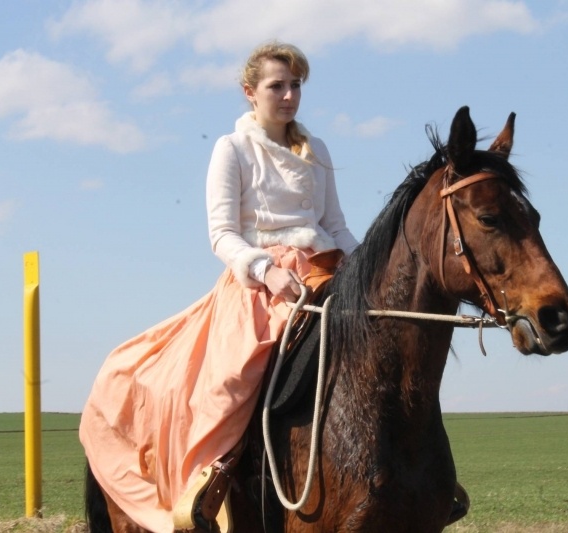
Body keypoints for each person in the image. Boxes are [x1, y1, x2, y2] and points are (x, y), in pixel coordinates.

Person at [79, 41, 358, 532]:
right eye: (278, 86)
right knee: (231, 380)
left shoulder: (318, 151)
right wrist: (265, 270)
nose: (290, 95)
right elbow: (222, 233)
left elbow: (335, 225)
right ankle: (211, 486)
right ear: (251, 92)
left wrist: (364, 269)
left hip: (323, 268)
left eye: (296, 85)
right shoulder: (231, 149)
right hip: (260, 282)